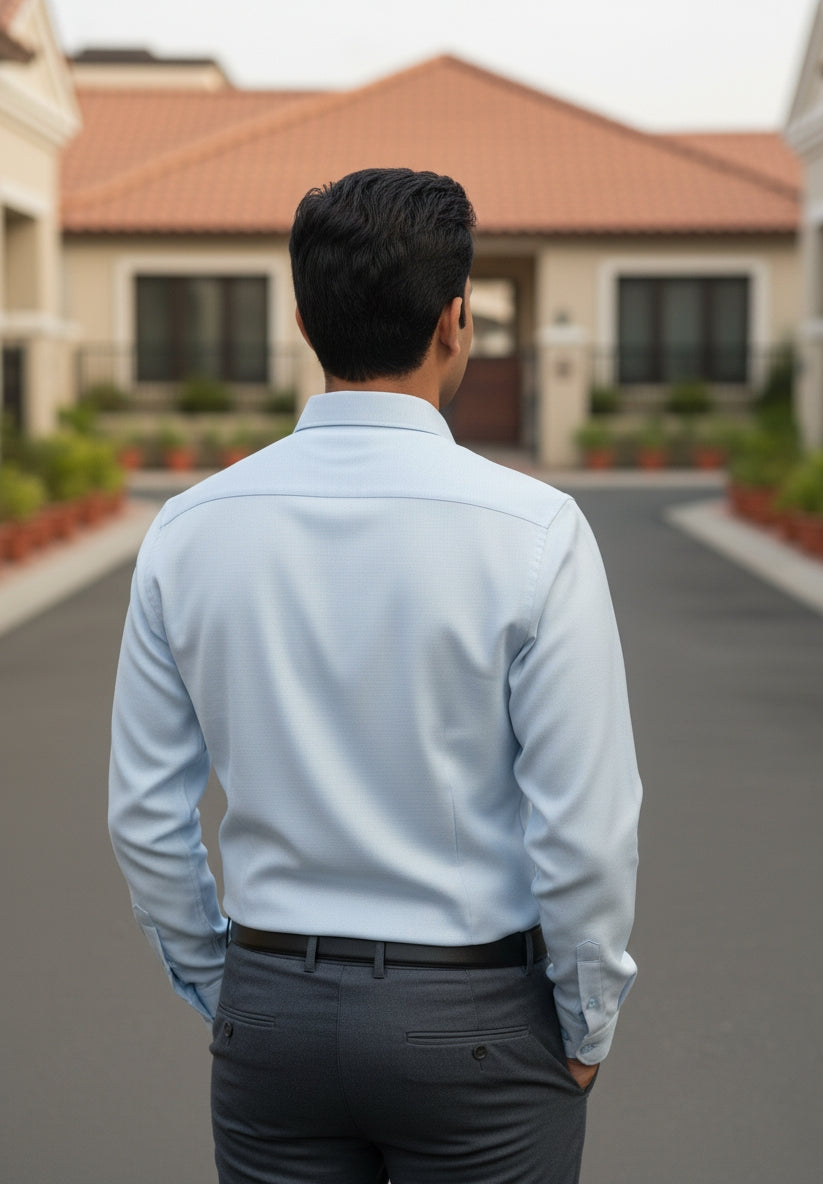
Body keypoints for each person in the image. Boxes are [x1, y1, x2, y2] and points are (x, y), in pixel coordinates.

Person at [108, 167, 642, 1184]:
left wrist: (229, 987)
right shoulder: (536, 532)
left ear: (305, 320)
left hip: (272, 1014)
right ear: (457, 320)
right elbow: (586, 822)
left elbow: (144, 814)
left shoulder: (188, 530)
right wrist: (587, 1020)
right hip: (480, 1025)